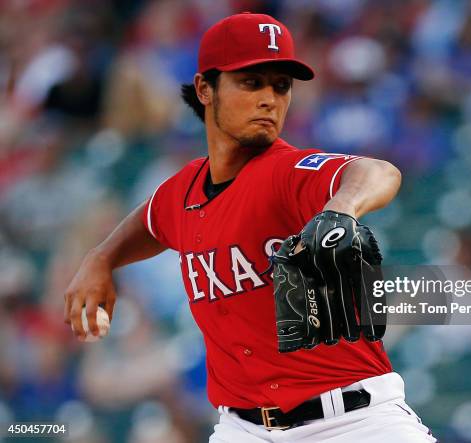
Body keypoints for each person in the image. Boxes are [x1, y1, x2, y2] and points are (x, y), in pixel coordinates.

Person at [64, 12, 436, 442]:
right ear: (205, 89)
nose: (269, 99)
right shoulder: (181, 190)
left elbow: (377, 172)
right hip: (243, 429)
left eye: (281, 86)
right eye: (251, 82)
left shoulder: (288, 171)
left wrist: (340, 210)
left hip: (353, 422)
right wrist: (102, 258)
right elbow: (150, 222)